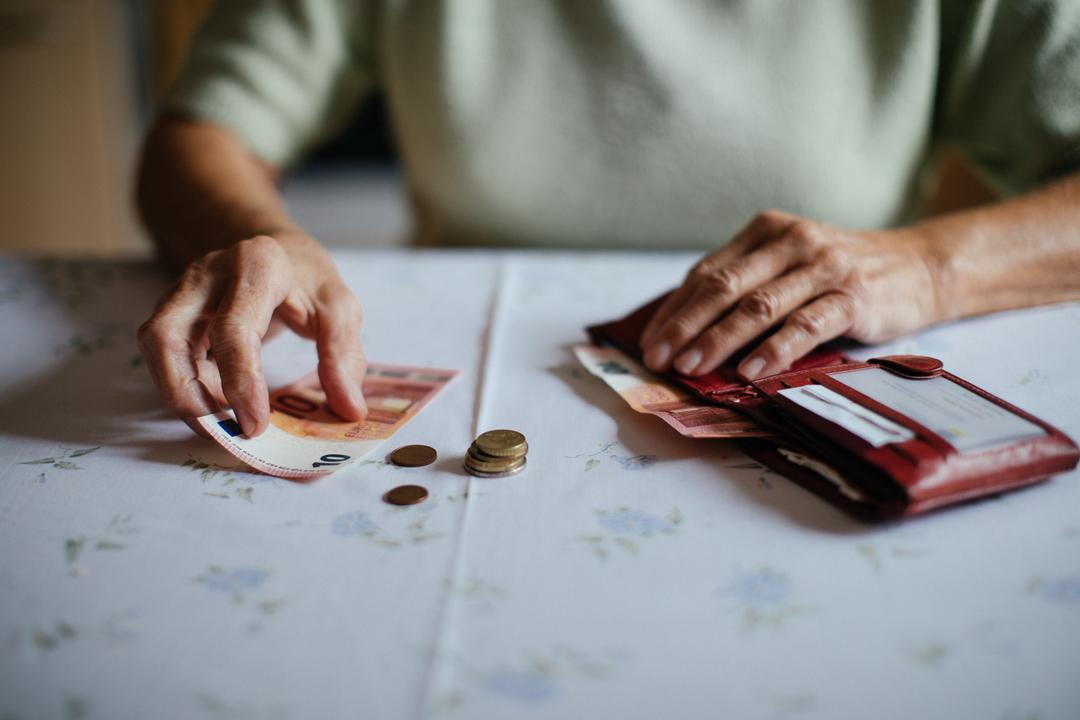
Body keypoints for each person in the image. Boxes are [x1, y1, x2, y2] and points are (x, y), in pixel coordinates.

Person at [136, 0, 1080, 438]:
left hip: (818, 408)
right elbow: (197, 135)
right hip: (483, 389)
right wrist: (252, 231)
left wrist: (930, 266)